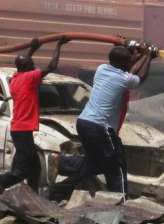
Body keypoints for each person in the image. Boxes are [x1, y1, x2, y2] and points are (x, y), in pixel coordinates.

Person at [49, 45, 155, 202]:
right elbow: (139, 77)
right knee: (116, 164)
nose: (130, 63)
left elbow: (128, 67)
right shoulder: (123, 78)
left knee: (95, 164)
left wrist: (144, 55)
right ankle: (121, 203)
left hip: (85, 123)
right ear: (120, 62)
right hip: (100, 127)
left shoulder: (102, 69)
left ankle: (63, 163)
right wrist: (149, 57)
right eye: (127, 61)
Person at [0, 36, 65, 197]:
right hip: (22, 130)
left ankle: (32, 197)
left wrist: (33, 49)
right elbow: (52, 66)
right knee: (22, 171)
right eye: (31, 65)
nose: (34, 66)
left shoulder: (16, 78)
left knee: (34, 167)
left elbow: (23, 62)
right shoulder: (28, 78)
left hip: (19, 129)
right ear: (25, 67)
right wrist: (59, 45)